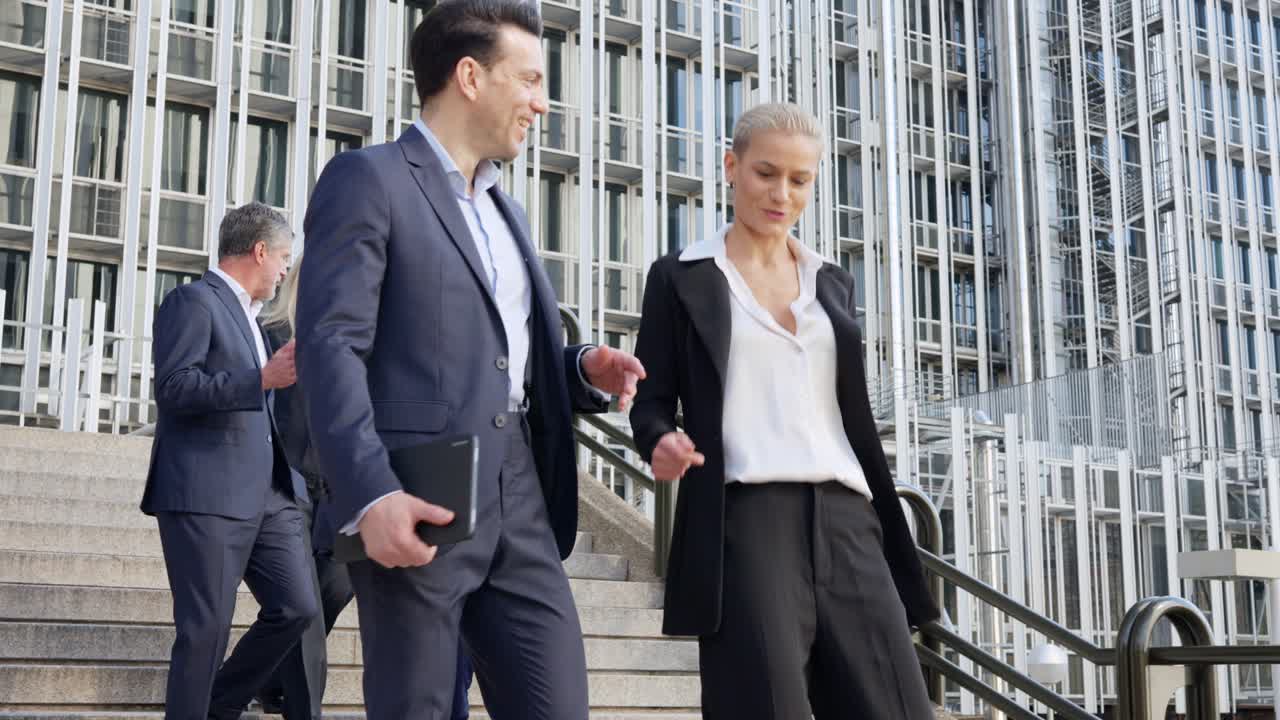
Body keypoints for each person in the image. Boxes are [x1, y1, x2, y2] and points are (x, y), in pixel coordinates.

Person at [294, 2, 645, 718]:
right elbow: (332, 348)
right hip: (418, 493)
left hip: (523, 497)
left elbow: (496, 351)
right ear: (470, 77)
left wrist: (580, 370)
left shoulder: (504, 208)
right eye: (530, 80)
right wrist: (369, 494)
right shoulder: (369, 179)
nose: (541, 104)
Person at [628, 103, 940, 719]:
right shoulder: (681, 277)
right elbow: (653, 400)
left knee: (897, 704)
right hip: (748, 520)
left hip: (851, 519)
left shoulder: (830, 281)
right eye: (766, 173)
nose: (782, 193)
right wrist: (660, 439)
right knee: (764, 706)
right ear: (731, 166)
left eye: (800, 180)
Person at [257, 262, 474, 720]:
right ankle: (289, 692)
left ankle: (270, 675)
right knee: (303, 605)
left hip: (340, 483)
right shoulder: (273, 332)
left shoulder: (354, 339)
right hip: (291, 484)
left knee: (332, 591)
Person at [141, 202, 319, 720]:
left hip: (266, 494)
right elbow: (175, 389)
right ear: (260, 250)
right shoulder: (193, 302)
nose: (286, 269)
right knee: (205, 630)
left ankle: (217, 706)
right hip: (206, 493)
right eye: (284, 257)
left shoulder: (255, 320)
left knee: (298, 609)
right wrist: (262, 379)